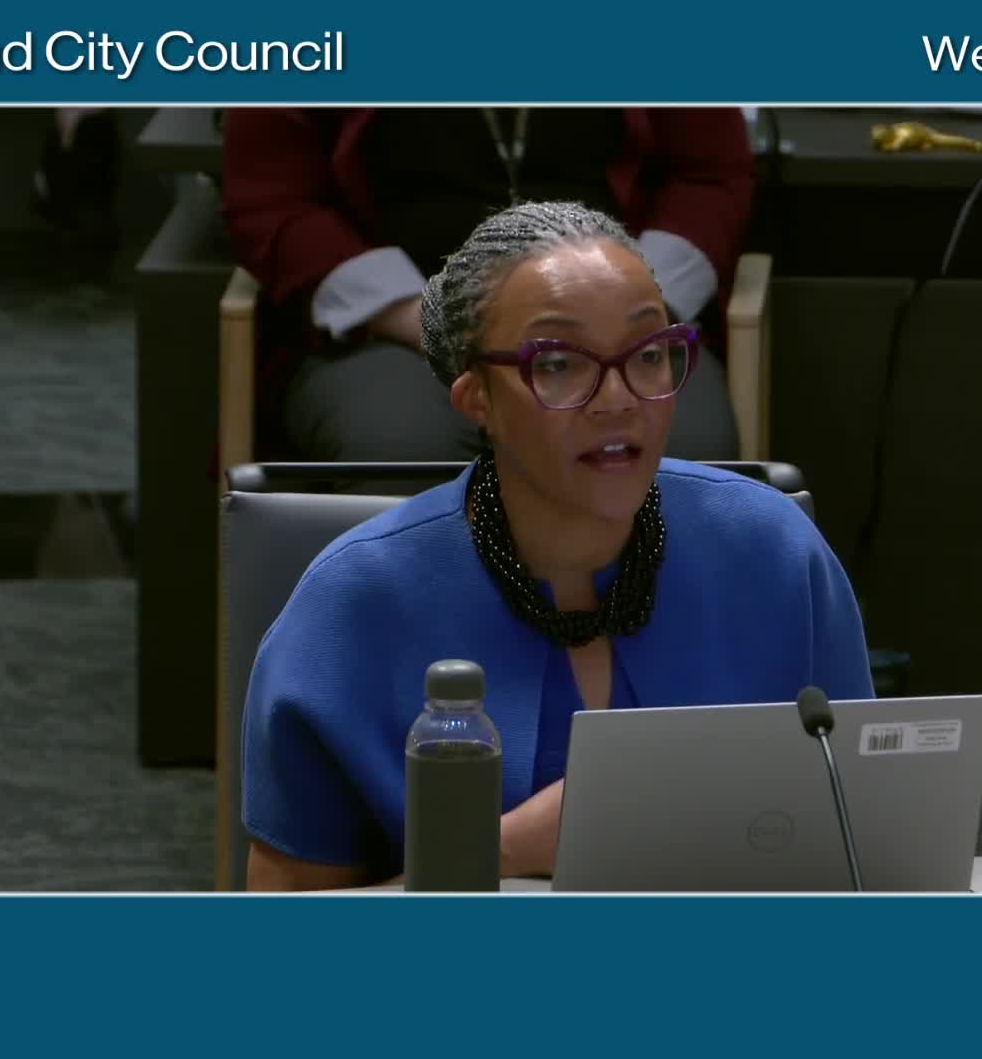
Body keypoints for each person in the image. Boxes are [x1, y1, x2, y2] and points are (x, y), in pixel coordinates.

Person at [239, 201, 872, 891]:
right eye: (561, 363)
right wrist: (502, 850)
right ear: (476, 398)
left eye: (648, 354)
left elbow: (867, 852)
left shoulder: (773, 553)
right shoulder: (353, 604)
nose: (618, 398)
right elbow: (286, 931)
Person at [218, 107, 752, 464]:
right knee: (402, 444)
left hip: (619, 312)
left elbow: (707, 178)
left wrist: (625, 312)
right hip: (394, 324)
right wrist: (433, 322)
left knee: (682, 444)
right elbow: (277, 199)